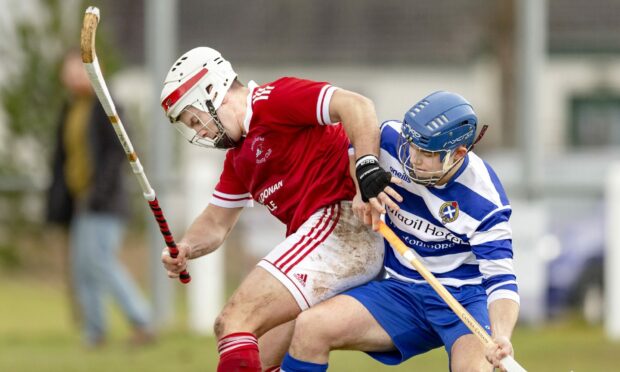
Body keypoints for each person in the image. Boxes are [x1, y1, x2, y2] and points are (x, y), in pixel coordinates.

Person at [159, 46, 401, 371]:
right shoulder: (238, 159)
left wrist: (367, 166)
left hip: (342, 224)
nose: (200, 131)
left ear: (213, 94)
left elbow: (356, 104)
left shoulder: (273, 100)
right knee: (256, 355)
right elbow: (217, 221)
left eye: (196, 119)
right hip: (322, 242)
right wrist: (186, 246)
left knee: (233, 322)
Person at [281, 91, 520, 371]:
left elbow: (502, 280)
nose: (413, 159)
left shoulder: (485, 201)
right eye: (411, 145)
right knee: (312, 327)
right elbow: (354, 149)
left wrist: (501, 335)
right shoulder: (390, 140)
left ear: (457, 154)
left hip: (463, 300)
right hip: (400, 290)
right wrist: (361, 189)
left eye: (427, 153)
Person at [46, 51, 153, 348]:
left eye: (78, 71)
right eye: (68, 71)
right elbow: (62, 159)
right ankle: (95, 332)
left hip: (104, 203)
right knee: (83, 268)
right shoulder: (71, 109)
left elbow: (116, 153)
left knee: (101, 262)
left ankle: (142, 320)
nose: (72, 77)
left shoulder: (106, 106)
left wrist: (98, 192)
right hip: (81, 202)